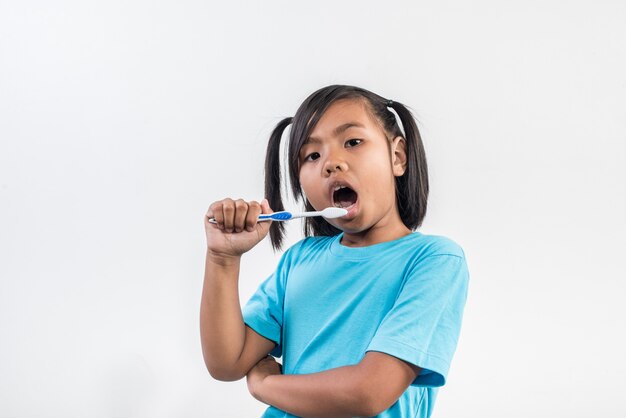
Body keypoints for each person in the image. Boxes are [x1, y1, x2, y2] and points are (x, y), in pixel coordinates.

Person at [201, 85, 470, 417]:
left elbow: (369, 392)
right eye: (312, 156)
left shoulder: (433, 261)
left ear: (397, 156)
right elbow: (227, 362)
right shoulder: (298, 261)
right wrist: (223, 259)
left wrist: (264, 385)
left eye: (353, 142)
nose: (331, 163)